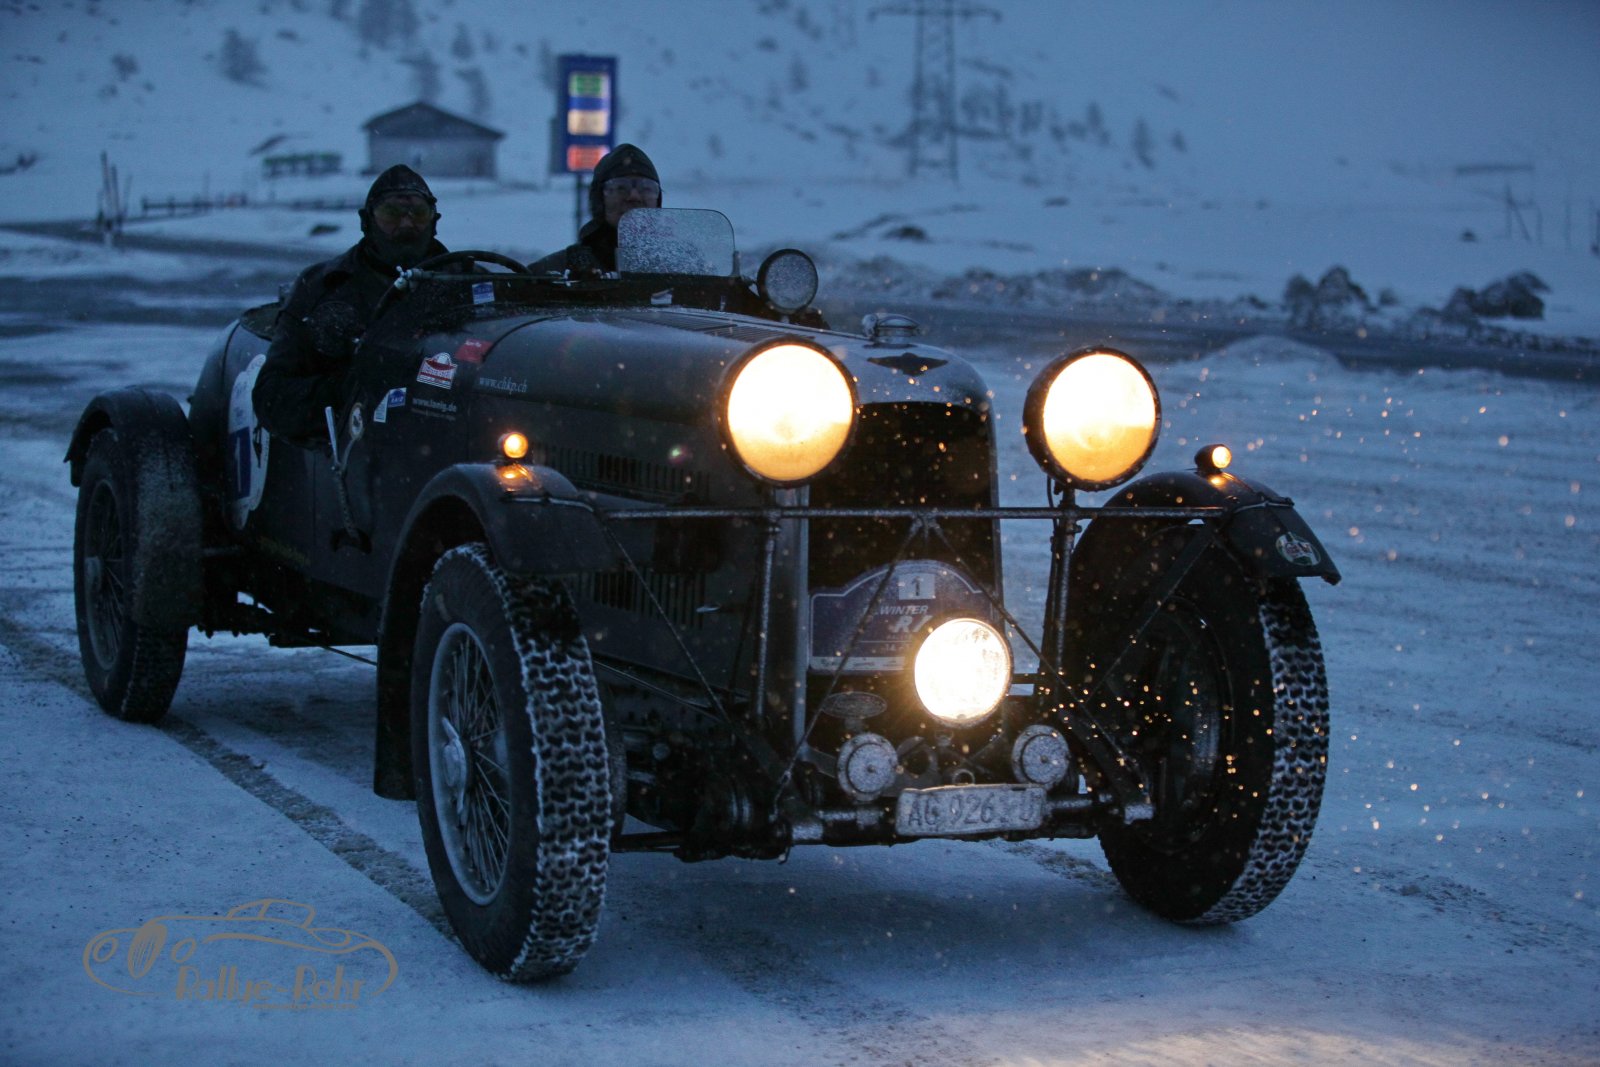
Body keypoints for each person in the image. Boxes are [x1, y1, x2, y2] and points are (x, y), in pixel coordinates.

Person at [252, 164, 449, 443]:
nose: (406, 225)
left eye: (417, 214)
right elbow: (272, 398)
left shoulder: (468, 285)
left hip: (454, 439)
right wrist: (353, 389)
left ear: (433, 221)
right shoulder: (322, 288)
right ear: (367, 221)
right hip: (356, 450)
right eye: (391, 214)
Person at [528, 143, 661, 275]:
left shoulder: (670, 267)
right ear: (599, 200)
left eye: (646, 188)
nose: (634, 196)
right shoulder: (550, 273)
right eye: (621, 188)